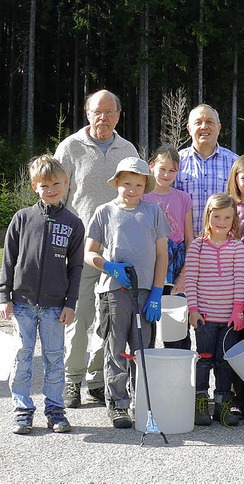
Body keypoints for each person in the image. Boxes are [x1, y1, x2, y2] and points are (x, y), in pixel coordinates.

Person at [55, 89, 139, 408]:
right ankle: (72, 380)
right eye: (97, 112)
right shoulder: (70, 148)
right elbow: (57, 199)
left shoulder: (128, 150)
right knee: (80, 318)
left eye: (109, 112)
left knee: (110, 321)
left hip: (118, 252)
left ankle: (96, 379)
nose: (103, 118)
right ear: (87, 113)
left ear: (119, 115)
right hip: (80, 251)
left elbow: (137, 195)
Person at [0, 155, 84, 434]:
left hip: (54, 306)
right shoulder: (22, 218)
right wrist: (4, 297)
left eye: (56, 184)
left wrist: (70, 303)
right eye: (45, 185)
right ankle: (23, 410)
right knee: (22, 357)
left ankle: (55, 410)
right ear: (35, 186)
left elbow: (76, 268)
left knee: (54, 358)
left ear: (66, 183)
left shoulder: (73, 223)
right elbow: (9, 260)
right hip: (22, 304)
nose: (51, 189)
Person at [84, 157, 170, 428]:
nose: (132, 189)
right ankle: (118, 404)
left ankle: (140, 401)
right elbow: (89, 252)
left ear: (145, 185)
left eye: (138, 184)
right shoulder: (104, 212)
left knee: (142, 348)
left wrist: (157, 292)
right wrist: (108, 266)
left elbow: (162, 255)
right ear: (117, 183)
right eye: (126, 183)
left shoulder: (154, 212)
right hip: (114, 291)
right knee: (116, 347)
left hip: (145, 292)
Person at [184, 193, 244, 427]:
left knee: (225, 362)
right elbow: (191, 280)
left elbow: (239, 280)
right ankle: (200, 403)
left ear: (234, 220)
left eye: (227, 217)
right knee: (204, 359)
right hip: (205, 318)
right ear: (208, 216)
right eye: (217, 216)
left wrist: (238, 310)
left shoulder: (237, 247)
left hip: (229, 319)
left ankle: (222, 406)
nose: (221, 221)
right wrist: (193, 309)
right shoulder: (197, 247)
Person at [143, 144, 194, 350]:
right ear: (152, 166)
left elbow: (189, 238)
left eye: (172, 170)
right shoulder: (143, 197)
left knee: (176, 326)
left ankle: (178, 375)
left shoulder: (183, 198)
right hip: (150, 261)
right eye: (162, 168)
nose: (166, 174)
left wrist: (184, 275)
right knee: (148, 323)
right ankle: (146, 376)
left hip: (177, 264)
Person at [175, 104, 238, 236]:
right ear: (189, 128)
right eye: (198, 122)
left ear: (219, 128)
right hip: (184, 247)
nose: (204, 127)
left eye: (209, 122)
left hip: (224, 247)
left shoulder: (235, 163)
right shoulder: (175, 163)